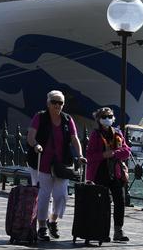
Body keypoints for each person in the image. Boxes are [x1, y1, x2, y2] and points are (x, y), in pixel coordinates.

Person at [26, 90, 86, 241]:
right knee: (44, 195)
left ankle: (52, 221)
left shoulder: (67, 119)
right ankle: (42, 227)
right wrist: (36, 145)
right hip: (42, 163)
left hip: (62, 164)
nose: (57, 105)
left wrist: (79, 155)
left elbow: (74, 139)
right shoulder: (40, 117)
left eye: (60, 103)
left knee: (61, 196)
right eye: (54, 102)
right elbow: (31, 136)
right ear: (48, 103)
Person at [86, 107, 132, 243]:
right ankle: (102, 231)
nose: (108, 119)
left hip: (115, 173)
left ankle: (118, 231)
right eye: (104, 116)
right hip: (100, 172)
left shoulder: (117, 133)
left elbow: (126, 151)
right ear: (99, 119)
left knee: (120, 201)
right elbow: (90, 156)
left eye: (110, 116)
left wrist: (113, 153)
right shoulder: (95, 135)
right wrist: (103, 155)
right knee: (103, 204)